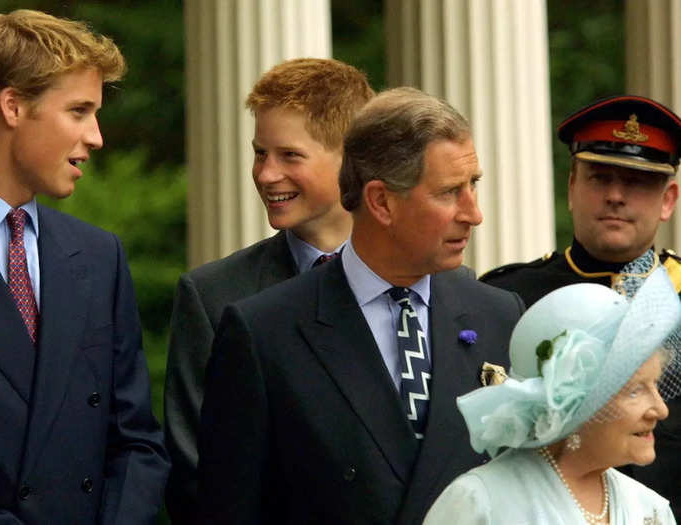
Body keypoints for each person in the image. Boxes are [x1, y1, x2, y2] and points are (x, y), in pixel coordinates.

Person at [196, 87, 525, 524]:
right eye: (449, 193)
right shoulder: (264, 332)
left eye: (473, 186)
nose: (473, 213)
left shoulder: (500, 315)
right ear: (381, 202)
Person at [164, 58, 375, 522]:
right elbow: (195, 474)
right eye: (260, 153)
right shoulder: (214, 297)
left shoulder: (431, 286)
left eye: (289, 156)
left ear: (351, 159)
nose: (265, 174)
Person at [0, 9, 169, 523]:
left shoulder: (99, 255)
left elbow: (136, 441)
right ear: (13, 106)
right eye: (79, 111)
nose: (96, 137)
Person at [480, 95, 681, 518]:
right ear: (572, 186)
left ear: (669, 199)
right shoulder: (506, 299)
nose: (615, 195)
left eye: (637, 181)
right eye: (599, 177)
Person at [425, 267, 681, 524]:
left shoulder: (650, 509)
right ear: (573, 400)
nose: (661, 409)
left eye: (656, 384)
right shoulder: (482, 504)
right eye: (635, 390)